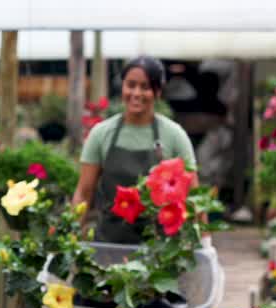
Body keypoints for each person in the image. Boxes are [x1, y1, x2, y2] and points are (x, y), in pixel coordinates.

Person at [72, 56, 198, 244]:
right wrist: (69, 235)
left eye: (145, 87)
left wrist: (204, 243)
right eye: (130, 85)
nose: (136, 93)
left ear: (157, 92)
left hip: (160, 249)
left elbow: (193, 195)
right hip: (109, 244)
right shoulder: (101, 134)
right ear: (122, 87)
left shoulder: (174, 135)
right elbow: (84, 192)